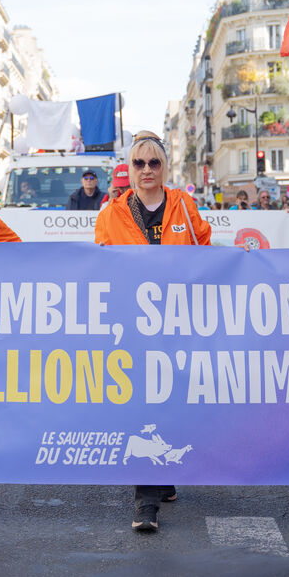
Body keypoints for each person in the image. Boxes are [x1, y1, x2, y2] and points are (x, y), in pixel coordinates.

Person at [94, 131, 212, 534]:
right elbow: (101, 268)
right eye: (139, 163)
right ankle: (146, 500)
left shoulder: (184, 205)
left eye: (154, 162)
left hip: (178, 321)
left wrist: (241, 260)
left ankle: (163, 477)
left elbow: (206, 252)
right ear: (129, 168)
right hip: (134, 324)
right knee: (144, 402)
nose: (147, 170)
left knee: (173, 396)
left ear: (165, 167)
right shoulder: (111, 214)